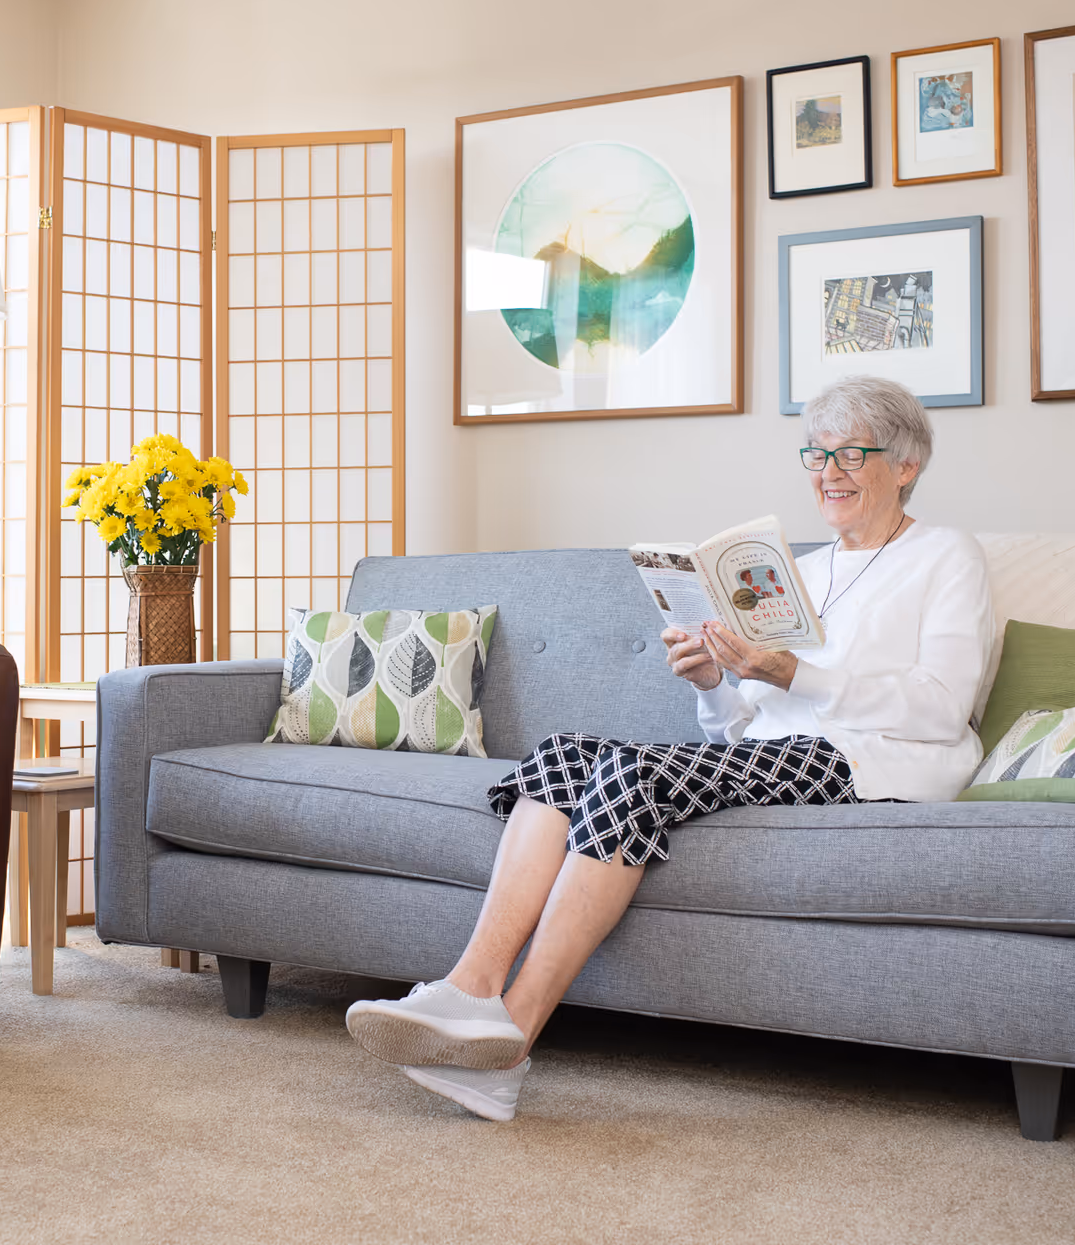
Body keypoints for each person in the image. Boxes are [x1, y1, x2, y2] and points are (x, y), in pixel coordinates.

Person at [344, 375, 996, 1121]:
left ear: (906, 465)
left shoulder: (948, 555)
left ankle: (513, 1038)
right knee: (563, 753)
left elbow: (943, 707)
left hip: (877, 761)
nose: (827, 474)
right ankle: (470, 986)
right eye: (815, 455)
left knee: (629, 770)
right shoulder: (802, 573)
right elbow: (738, 733)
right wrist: (714, 681)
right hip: (785, 753)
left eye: (850, 455)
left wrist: (796, 672)